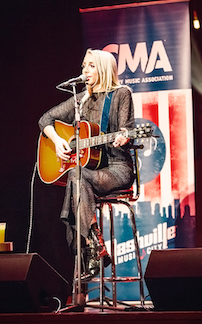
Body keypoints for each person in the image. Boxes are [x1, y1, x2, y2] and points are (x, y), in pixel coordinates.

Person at [38, 49, 135, 279]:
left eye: (90, 66)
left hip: (116, 167)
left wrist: (124, 137)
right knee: (77, 175)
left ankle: (93, 250)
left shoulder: (121, 94)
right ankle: (95, 247)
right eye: (83, 66)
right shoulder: (80, 99)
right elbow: (45, 119)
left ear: (102, 68)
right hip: (89, 171)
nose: (85, 71)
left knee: (77, 176)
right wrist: (59, 140)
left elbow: (127, 129)